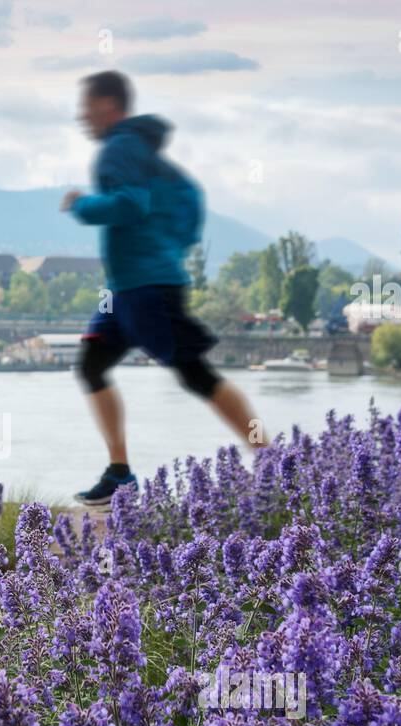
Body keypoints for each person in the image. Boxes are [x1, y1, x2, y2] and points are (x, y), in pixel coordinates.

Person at [62, 70, 266, 506]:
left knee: (196, 375)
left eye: (86, 106)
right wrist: (168, 245)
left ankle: (268, 458)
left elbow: (132, 204)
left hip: (148, 288)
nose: (81, 115)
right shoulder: (142, 151)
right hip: (125, 290)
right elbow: (185, 203)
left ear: (107, 105)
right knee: (92, 365)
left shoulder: (120, 148)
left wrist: (81, 205)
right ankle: (119, 473)